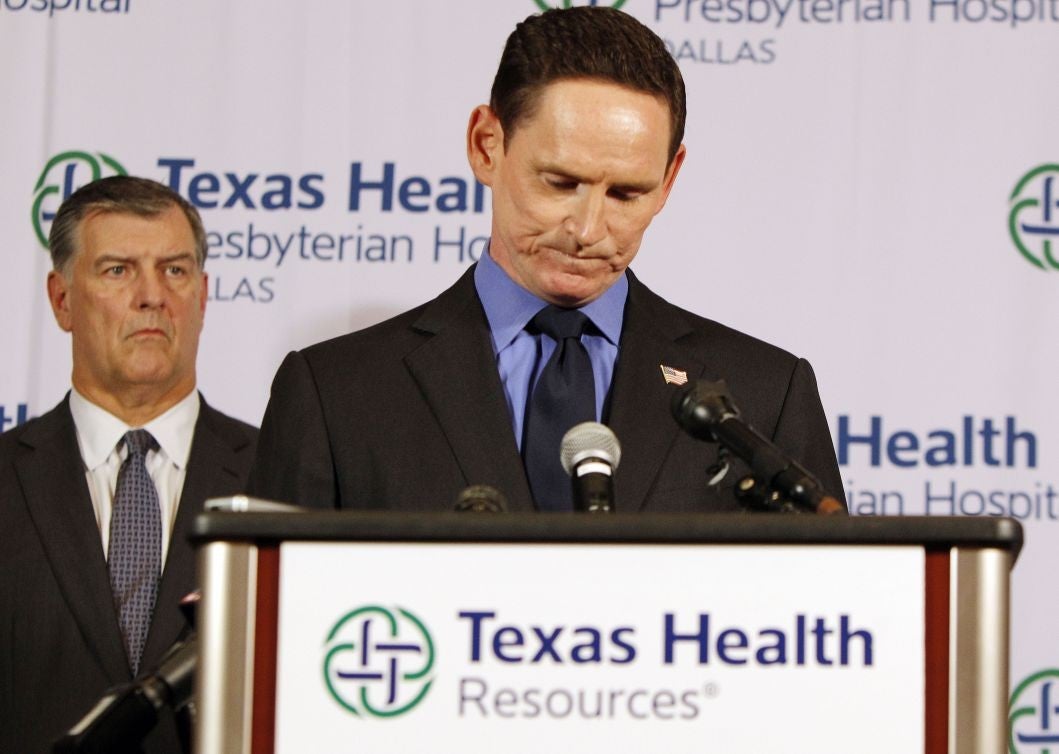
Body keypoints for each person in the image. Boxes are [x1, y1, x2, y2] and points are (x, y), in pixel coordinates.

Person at [247, 7, 844, 513]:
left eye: (626, 194)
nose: (588, 230)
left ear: (670, 179)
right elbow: (275, 631)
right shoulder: (336, 394)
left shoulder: (766, 395)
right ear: (487, 146)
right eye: (560, 183)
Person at [0, 176, 258, 754]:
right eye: (118, 270)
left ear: (203, 295)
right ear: (62, 299)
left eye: (175, 270)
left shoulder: (283, 476)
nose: (152, 296)